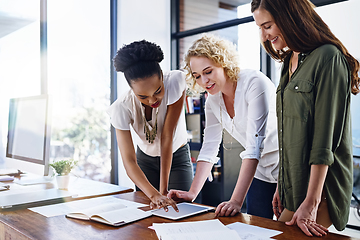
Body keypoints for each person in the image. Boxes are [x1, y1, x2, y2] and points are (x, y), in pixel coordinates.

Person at [251, 0, 360, 237]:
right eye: (259, 27)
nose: (264, 35)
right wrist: (282, 184)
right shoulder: (288, 62)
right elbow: (286, 133)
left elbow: (324, 140)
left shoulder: (329, 57)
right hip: (293, 184)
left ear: (289, 17)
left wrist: (312, 201)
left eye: (267, 26)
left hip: (322, 189)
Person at [167, 34, 279, 220]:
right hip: (260, 173)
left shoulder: (254, 83)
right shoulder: (212, 100)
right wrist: (192, 193)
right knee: (256, 229)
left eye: (208, 71)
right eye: (197, 76)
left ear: (224, 62)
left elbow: (254, 148)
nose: (204, 81)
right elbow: (210, 146)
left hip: (287, 170)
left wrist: (235, 201)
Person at [107, 40, 193, 211]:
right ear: (131, 89)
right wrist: (155, 195)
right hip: (144, 161)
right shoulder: (121, 107)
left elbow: (167, 136)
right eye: (143, 96)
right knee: (150, 213)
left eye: (158, 91)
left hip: (176, 156)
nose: (152, 100)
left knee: (182, 212)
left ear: (161, 75)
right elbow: (129, 161)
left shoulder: (175, 82)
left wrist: (163, 191)